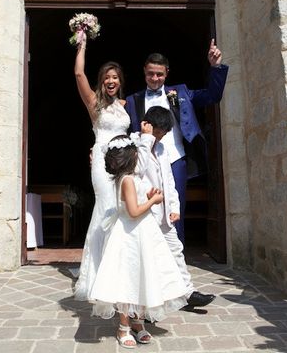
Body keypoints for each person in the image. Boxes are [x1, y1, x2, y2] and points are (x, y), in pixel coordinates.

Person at [89, 134, 188, 348]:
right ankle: (123, 326)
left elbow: (136, 202)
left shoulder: (132, 179)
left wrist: (148, 195)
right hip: (130, 235)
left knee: (145, 275)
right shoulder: (127, 180)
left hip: (143, 234)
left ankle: (138, 322)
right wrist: (153, 201)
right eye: (136, 153)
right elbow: (133, 212)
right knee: (128, 279)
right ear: (130, 158)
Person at [125, 40, 228, 243]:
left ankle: (175, 255)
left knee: (176, 207)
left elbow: (212, 96)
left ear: (167, 73)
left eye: (160, 74)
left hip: (176, 158)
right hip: (145, 162)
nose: (155, 78)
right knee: (145, 207)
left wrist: (215, 67)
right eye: (150, 74)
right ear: (144, 72)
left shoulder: (180, 92)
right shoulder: (132, 100)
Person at [72, 36, 133, 301]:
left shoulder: (124, 105)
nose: (111, 81)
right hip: (102, 162)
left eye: (115, 77)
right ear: (102, 80)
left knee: (121, 210)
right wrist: (82, 44)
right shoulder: (94, 103)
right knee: (106, 207)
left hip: (124, 163)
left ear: (120, 82)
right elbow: (78, 73)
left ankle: (118, 268)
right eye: (107, 77)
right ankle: (98, 273)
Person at [140, 106, 215, 308]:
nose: (160, 137)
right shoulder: (134, 145)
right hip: (144, 213)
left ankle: (187, 293)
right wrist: (146, 140)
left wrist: (174, 207)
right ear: (147, 126)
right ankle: (148, 302)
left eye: (164, 133)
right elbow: (136, 171)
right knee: (149, 258)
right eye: (157, 132)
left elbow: (169, 181)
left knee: (176, 250)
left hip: (163, 214)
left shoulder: (163, 149)